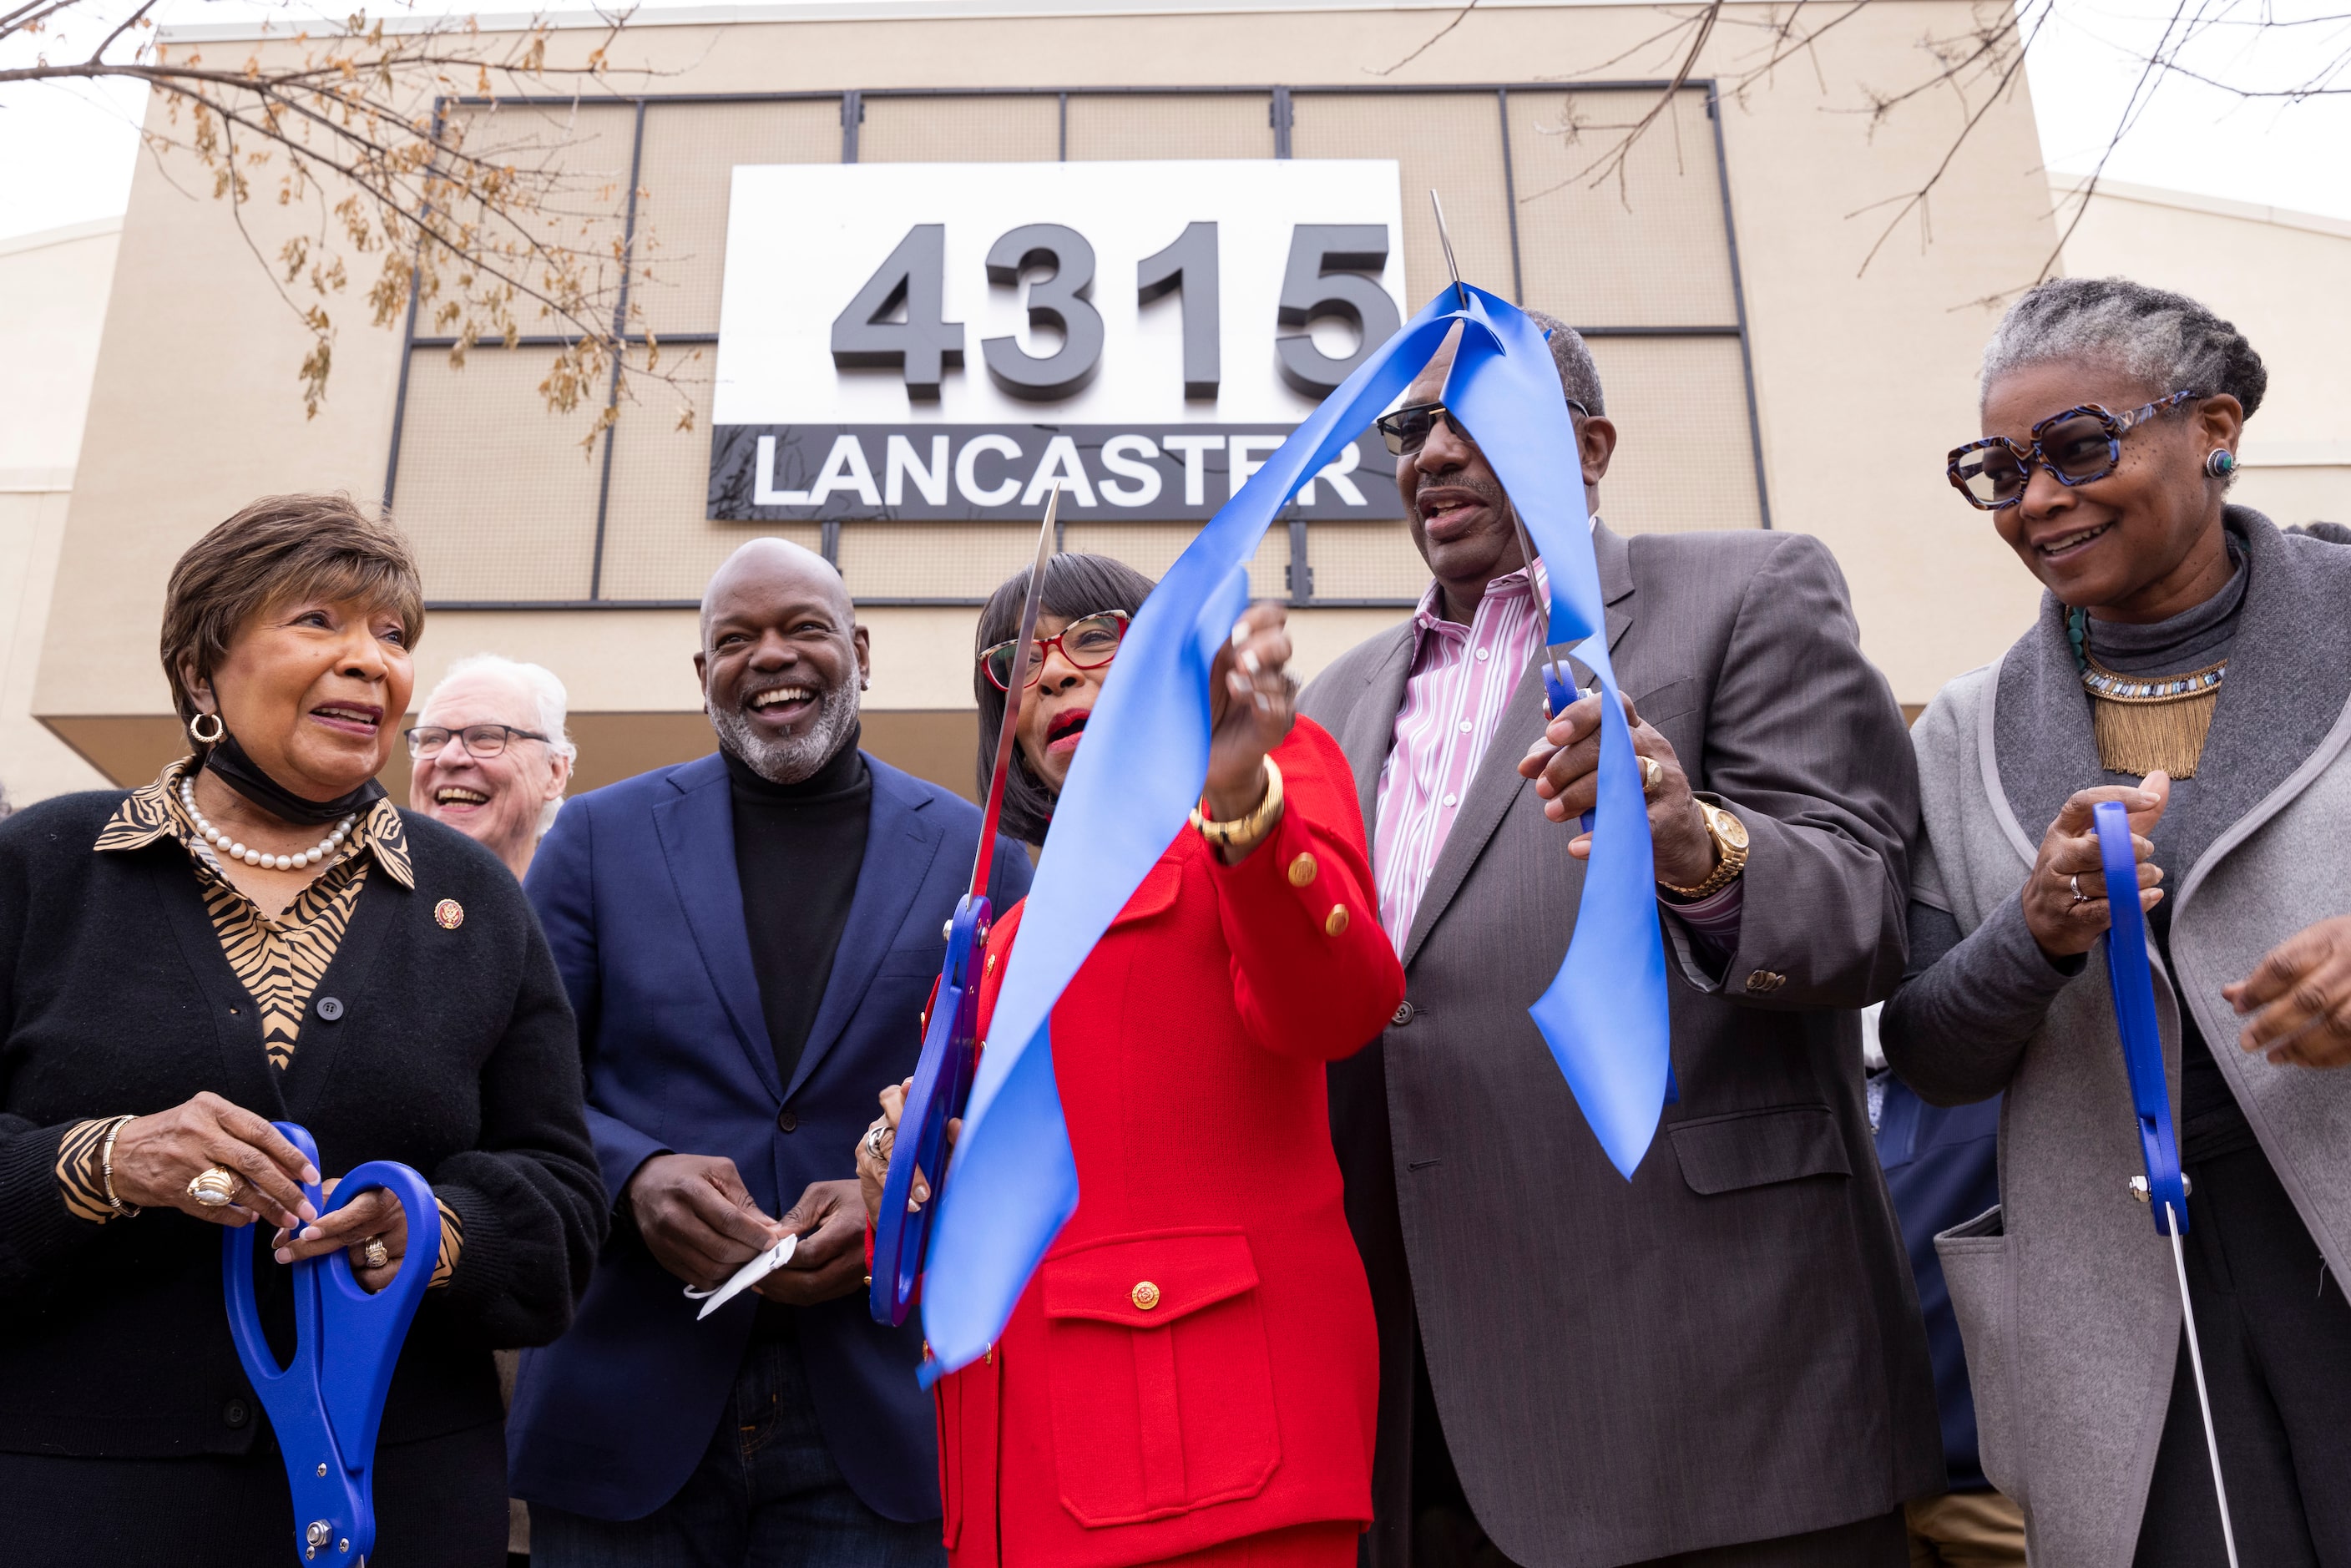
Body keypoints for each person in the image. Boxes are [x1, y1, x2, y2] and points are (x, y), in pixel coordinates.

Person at [1297, 314, 1939, 1567]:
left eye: (1470, 417)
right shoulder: (1337, 697)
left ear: (1589, 446)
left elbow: (1868, 909)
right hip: (1434, 1397)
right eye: (1407, 428)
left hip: (1721, 1381)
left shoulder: (1744, 591)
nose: (1428, 453)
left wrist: (1696, 845)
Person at [0, 493, 605, 1567]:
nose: (372, 661)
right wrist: (104, 1162)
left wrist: (426, 1235)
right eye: (319, 621)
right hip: (74, 1500)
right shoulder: (44, 867)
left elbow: (563, 1210)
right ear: (200, 668)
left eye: (393, 635)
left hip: (399, 1506)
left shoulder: (473, 900)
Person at [1881, 277, 2351, 1568]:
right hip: (2133, 1314)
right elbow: (1927, 1045)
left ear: (2214, 425)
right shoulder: (1967, 730)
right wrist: (2028, 936)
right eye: (2001, 468)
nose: (2037, 499)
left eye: (2079, 447)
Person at [857, 551, 1408, 1567]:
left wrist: (1242, 794)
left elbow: (1338, 1006)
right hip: (1017, 1489)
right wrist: (904, 1166)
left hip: (1210, 1467)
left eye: (1095, 639)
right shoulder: (998, 939)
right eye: (1018, 663)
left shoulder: (1254, 799)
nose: (1055, 673)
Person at [509, 538, 1031, 1566]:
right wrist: (634, 1177)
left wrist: (901, 1192)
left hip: (880, 1419)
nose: (771, 657)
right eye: (735, 641)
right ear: (703, 678)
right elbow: (519, 1082)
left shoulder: (982, 861)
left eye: (803, 629)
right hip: (625, 1409)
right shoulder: (595, 842)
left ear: (861, 650)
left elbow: (1020, 1114)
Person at [408, 653, 578, 880]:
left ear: (555, 771)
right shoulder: (354, 906)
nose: (447, 757)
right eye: (433, 739)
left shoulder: (585, 911)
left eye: (486, 736)